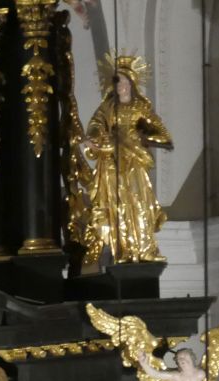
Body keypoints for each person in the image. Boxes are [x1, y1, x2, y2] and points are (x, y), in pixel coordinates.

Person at [82, 55, 172, 264]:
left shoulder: (141, 108)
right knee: (118, 204)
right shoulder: (107, 107)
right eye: (117, 81)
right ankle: (124, 250)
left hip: (134, 161)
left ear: (132, 83)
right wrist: (94, 138)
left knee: (139, 202)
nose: (120, 85)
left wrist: (141, 138)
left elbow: (163, 136)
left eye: (124, 81)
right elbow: (95, 125)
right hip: (112, 161)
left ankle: (145, 248)